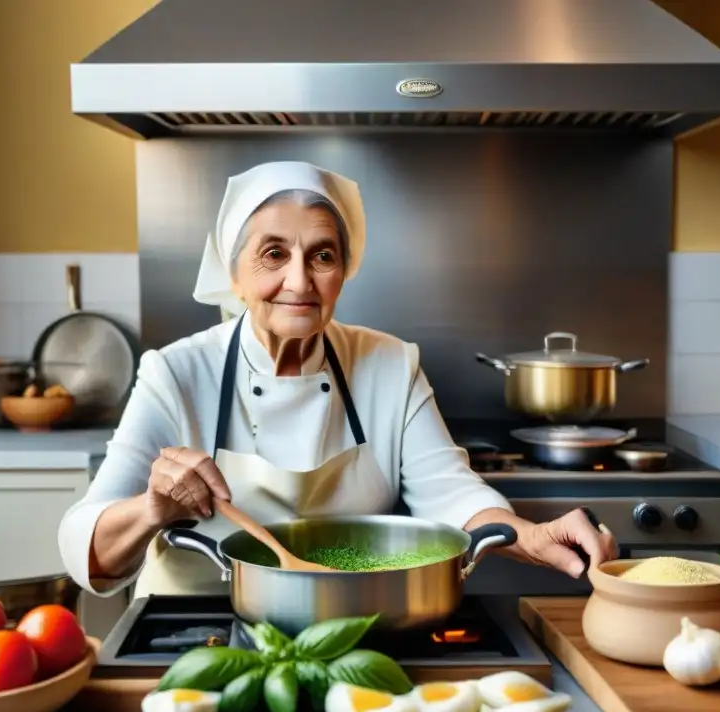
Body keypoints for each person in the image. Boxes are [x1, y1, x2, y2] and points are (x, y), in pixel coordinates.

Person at [58, 160, 618, 600]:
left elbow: (453, 494)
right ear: (234, 274)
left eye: (321, 256)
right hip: (200, 624)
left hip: (353, 620)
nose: (298, 280)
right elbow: (85, 547)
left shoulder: (391, 364)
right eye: (273, 254)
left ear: (343, 272)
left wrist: (530, 534)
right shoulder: (176, 373)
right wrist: (151, 510)